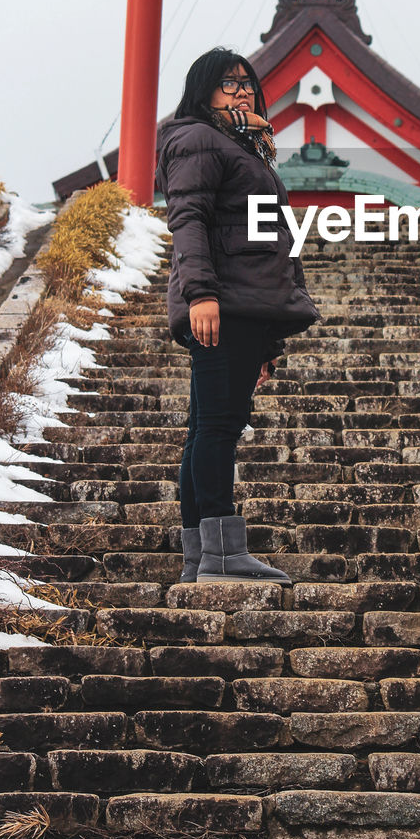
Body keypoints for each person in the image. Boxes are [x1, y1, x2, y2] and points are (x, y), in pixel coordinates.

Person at [155, 47, 319, 584]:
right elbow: (189, 219)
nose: (242, 90)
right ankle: (222, 554)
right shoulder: (199, 138)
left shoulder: (244, 145)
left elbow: (269, 240)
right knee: (218, 428)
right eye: (228, 84)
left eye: (247, 82)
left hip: (247, 306)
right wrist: (201, 294)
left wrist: (269, 343)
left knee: (207, 426)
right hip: (224, 303)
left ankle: (199, 557)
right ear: (203, 91)